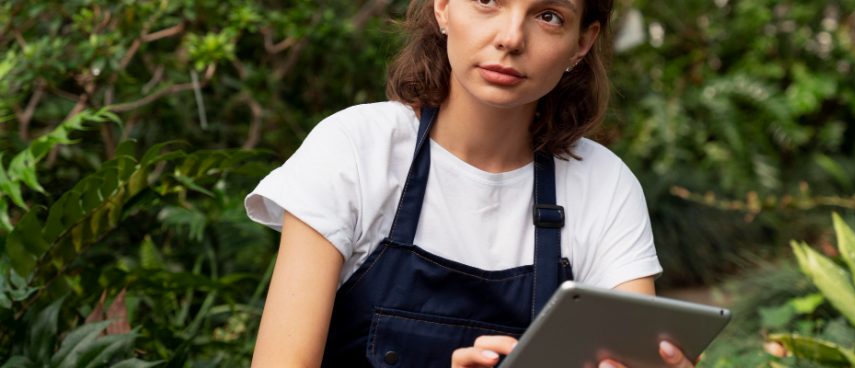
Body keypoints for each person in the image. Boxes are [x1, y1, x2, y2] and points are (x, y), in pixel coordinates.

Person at [244, 0, 695, 366]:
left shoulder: (604, 184)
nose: (511, 37)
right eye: (487, 1)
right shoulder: (355, 150)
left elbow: (634, 352)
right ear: (442, 7)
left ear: (582, 42)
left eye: (548, 16)